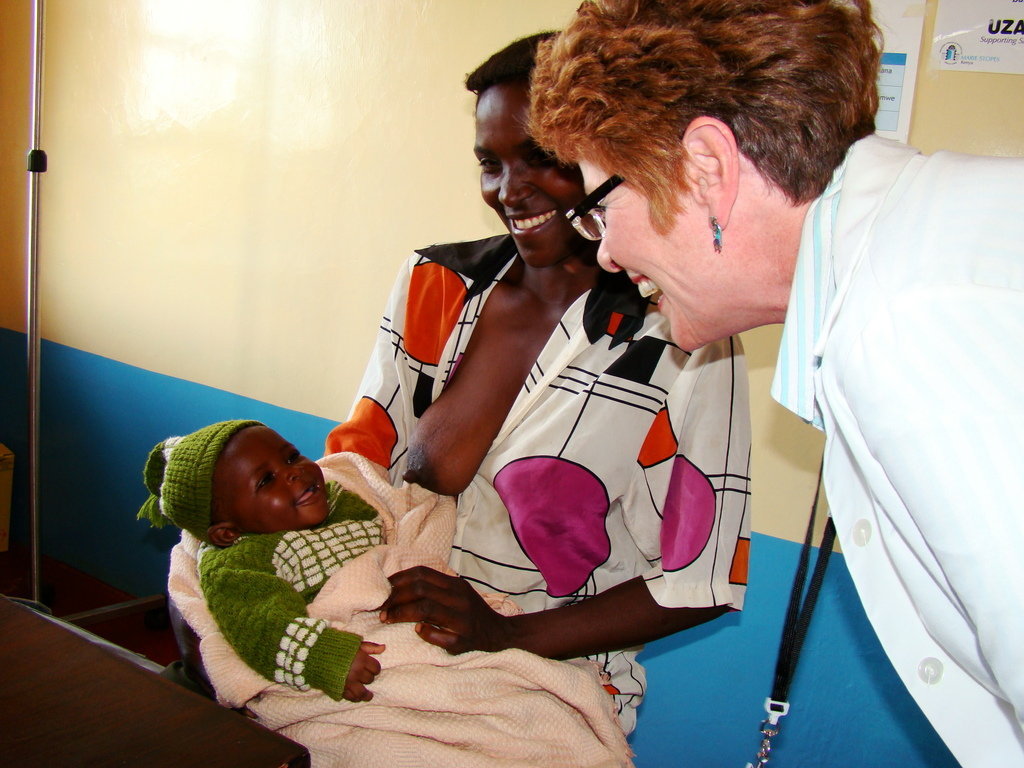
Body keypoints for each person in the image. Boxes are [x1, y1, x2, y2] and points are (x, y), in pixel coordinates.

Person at [529, 1, 1024, 764]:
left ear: (708, 170)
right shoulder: (920, 254)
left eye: (601, 208)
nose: (605, 255)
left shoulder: (910, 323)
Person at [325, 31, 752, 734]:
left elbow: (699, 582)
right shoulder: (437, 284)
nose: (509, 189)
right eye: (490, 163)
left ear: (609, 157)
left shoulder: (679, 333)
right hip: (393, 645)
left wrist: (501, 634)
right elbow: (360, 463)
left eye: (543, 160)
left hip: (549, 683)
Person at [138, 419, 386, 703]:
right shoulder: (238, 564)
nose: (295, 473)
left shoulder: (335, 499)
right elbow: (261, 625)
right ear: (228, 532)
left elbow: (377, 525)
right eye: (267, 480)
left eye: (291, 457)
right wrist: (323, 656)